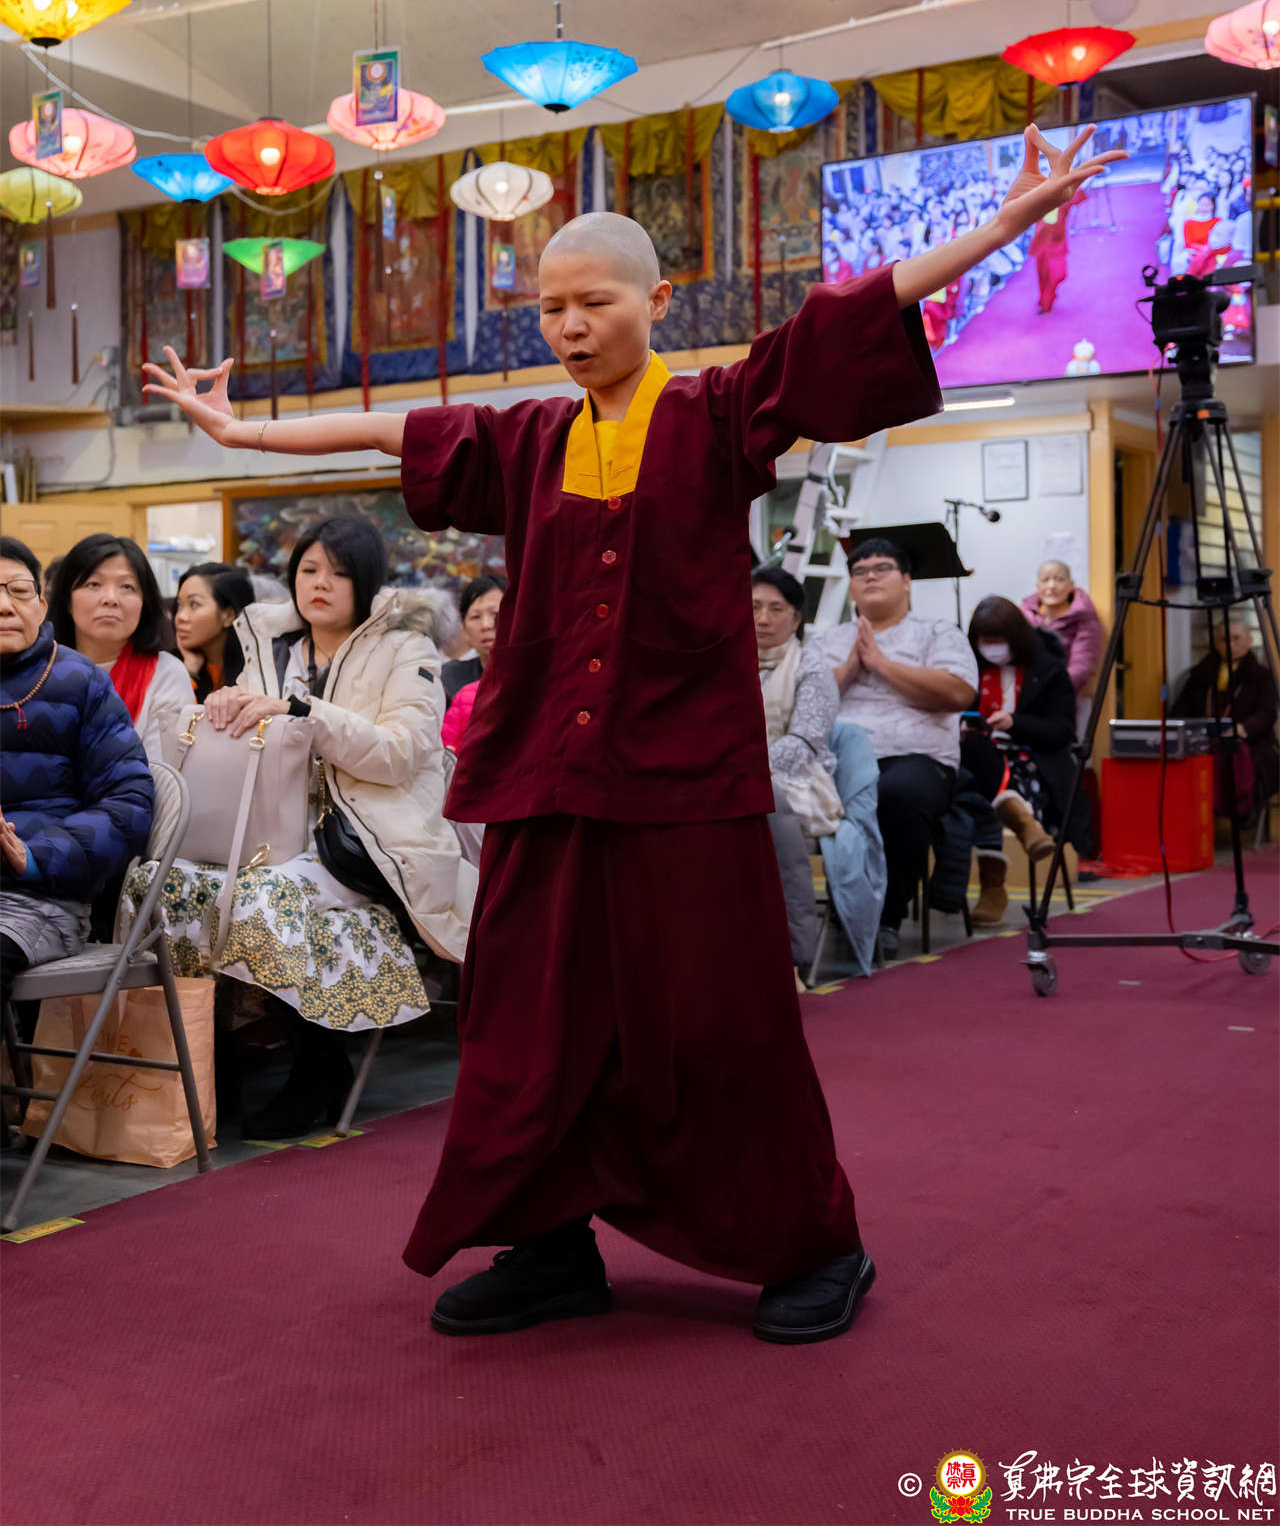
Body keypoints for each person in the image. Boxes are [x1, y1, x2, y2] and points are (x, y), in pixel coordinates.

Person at [145, 121, 1123, 1346]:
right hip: (545, 778)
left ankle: (812, 1240)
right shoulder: (530, 438)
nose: (568, 325)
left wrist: (1001, 222)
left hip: (683, 780)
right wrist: (242, 435)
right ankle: (550, 1243)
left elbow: (842, 317)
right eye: (550, 307)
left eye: (593, 301)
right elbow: (396, 428)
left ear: (656, 301)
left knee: (715, 1020)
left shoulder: (717, 412)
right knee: (525, 1024)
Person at [125, 515, 474, 1139]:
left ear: (366, 581)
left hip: (372, 836)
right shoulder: (272, 640)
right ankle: (212, 1066)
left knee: (264, 899)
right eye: (309, 570)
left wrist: (303, 710)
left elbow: (401, 755)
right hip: (273, 828)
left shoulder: (407, 646)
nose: (320, 584)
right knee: (169, 884)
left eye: (339, 573)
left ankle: (319, 1067)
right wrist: (227, 702)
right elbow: (253, 732)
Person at [0, 538, 153, 1006]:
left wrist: (35, 856)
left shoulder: (79, 680)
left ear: (42, 606)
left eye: (19, 591)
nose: (5, 606)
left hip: (37, 899)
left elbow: (129, 803)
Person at [819, 538, 979, 960]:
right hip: (839, 757)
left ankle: (883, 917)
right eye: (859, 571)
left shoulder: (937, 633)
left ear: (907, 581)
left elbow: (958, 693)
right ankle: (839, 910)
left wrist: (881, 664)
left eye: (882, 568)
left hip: (918, 759)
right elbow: (806, 704)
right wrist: (851, 668)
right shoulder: (828, 640)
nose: (870, 576)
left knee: (895, 795)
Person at [961, 597, 1082, 927]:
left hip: (1034, 760)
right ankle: (1021, 822)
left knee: (979, 791)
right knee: (975, 755)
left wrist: (1016, 723)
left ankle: (993, 886)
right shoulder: (967, 669)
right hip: (976, 756)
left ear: (1015, 638)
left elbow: (1062, 731)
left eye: (997, 640)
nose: (991, 648)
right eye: (984, 640)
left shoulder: (1049, 670)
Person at [751, 566, 841, 981]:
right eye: (754, 607)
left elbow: (804, 741)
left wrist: (746, 772)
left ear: (797, 618)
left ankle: (791, 954)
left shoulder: (812, 668)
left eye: (776, 609)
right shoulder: (721, 667)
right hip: (732, 775)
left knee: (767, 805)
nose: (763, 618)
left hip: (797, 778)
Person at [47, 533, 192, 760]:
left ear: (144, 602)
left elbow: (162, 771)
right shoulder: (39, 669)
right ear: (67, 600)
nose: (110, 598)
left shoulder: (166, 673)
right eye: (94, 584)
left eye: (127, 586)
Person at [1172, 615, 1278, 822]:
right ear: (1216, 642)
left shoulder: (1261, 676)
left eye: (1236, 638)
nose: (1230, 644)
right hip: (1204, 739)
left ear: (1249, 641)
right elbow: (1180, 711)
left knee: (1239, 757)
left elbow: (1267, 714)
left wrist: (1243, 728)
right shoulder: (1201, 674)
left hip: (1249, 742)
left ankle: (1243, 807)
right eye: (1224, 639)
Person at [1021, 560, 1104, 697]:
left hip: (1061, 693)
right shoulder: (1025, 613)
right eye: (1045, 580)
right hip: (1024, 692)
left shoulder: (1084, 615)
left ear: (1071, 585)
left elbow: (1082, 663)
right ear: (1038, 586)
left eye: (1059, 579)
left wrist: (1055, 690)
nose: (1051, 586)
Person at [174, 561, 253, 702]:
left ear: (228, 616)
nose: (180, 616)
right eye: (179, 605)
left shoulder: (256, 669)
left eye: (194, 604)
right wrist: (190, 670)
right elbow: (173, 712)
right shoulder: (171, 664)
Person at [441, 573, 505, 703]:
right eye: (475, 617)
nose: (486, 625)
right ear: (463, 627)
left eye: (495, 613)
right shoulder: (449, 677)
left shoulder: (537, 676)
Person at [1029, 184, 1086, 313]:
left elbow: (1079, 194)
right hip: (1042, 242)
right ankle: (1045, 302)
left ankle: (1048, 298)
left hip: (1056, 243)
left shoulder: (1063, 198)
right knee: (1043, 275)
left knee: (1058, 273)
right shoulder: (1039, 197)